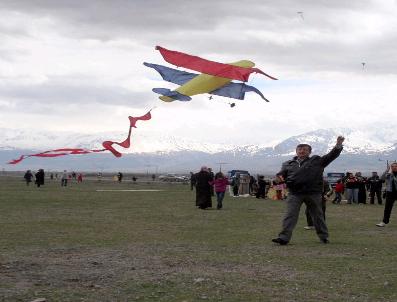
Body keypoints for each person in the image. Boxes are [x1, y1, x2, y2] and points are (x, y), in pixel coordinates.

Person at [272, 136, 344, 245]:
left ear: (309, 152)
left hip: (313, 193)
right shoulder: (288, 164)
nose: (302, 151)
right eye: (299, 149)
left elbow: (331, 156)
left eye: (305, 150)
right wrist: (278, 179)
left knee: (317, 216)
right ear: (296, 151)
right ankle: (283, 238)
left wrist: (338, 145)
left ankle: (323, 237)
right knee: (290, 215)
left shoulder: (317, 161)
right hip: (295, 193)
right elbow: (282, 174)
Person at [376, 162, 397, 227]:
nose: (394, 167)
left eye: (395, 166)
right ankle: (384, 222)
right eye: (392, 166)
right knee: (387, 208)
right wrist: (387, 170)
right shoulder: (389, 174)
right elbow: (382, 178)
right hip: (390, 193)